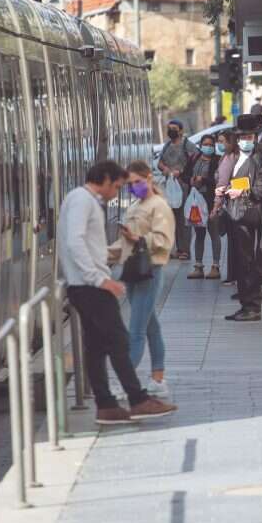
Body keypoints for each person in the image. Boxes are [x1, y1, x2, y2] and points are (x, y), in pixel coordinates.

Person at [58, 161, 176, 424]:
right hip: (91, 286)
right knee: (120, 340)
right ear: (105, 179)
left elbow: (89, 245)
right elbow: (75, 242)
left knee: (97, 346)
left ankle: (107, 405)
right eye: (119, 186)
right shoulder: (83, 201)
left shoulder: (81, 199)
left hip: (91, 283)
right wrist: (100, 279)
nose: (118, 192)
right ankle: (137, 399)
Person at [107, 161, 175, 398]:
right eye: (129, 184)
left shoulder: (159, 206)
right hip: (133, 271)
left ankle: (126, 382)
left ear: (148, 178)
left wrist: (138, 238)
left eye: (137, 182)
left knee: (136, 330)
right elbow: (126, 243)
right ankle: (158, 379)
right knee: (150, 327)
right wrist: (103, 253)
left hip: (150, 271)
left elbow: (164, 240)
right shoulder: (136, 205)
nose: (133, 187)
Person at [219, 116, 262, 321]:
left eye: (249, 137)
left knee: (251, 263)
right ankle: (246, 305)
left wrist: (241, 191)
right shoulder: (236, 158)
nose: (245, 140)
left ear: (255, 137)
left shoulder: (259, 159)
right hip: (238, 217)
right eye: (242, 137)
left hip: (252, 219)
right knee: (242, 263)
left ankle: (252, 307)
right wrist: (226, 190)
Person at [157, 118, 198, 260]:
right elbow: (160, 162)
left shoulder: (187, 145)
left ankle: (185, 250)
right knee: (171, 217)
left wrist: (181, 171)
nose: (171, 131)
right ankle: (176, 249)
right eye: (169, 128)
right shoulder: (167, 145)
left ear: (181, 131)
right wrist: (165, 168)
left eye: (174, 129)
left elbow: (195, 161)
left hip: (183, 185)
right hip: (169, 185)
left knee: (183, 218)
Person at [185, 134, 223, 279]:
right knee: (199, 234)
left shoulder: (218, 160)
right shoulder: (194, 158)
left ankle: (215, 266)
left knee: (214, 233)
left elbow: (219, 180)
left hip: (211, 201)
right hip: (196, 202)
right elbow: (184, 174)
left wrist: (204, 180)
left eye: (211, 145)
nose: (208, 147)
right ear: (200, 145)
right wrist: (191, 180)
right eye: (205, 144)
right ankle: (198, 266)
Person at [213, 130, 239, 286]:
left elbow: (222, 184)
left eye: (222, 141)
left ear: (231, 142)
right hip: (235, 203)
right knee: (236, 241)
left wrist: (216, 206)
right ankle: (235, 274)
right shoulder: (230, 157)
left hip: (232, 205)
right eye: (219, 141)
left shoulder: (229, 159)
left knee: (234, 242)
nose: (220, 144)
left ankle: (234, 275)